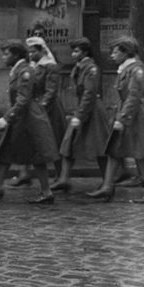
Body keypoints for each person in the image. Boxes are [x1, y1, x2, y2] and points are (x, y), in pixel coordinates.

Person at [0, 40, 59, 204]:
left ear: (16, 55)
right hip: (22, 117)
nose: (3, 57)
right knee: (6, 151)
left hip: (29, 118)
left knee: (37, 154)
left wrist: (6, 117)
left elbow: (23, 99)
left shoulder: (25, 71)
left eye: (6, 54)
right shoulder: (18, 70)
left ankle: (47, 192)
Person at [86, 36, 144, 202]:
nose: (112, 55)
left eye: (115, 52)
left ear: (126, 53)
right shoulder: (126, 68)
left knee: (141, 153)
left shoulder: (136, 69)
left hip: (136, 115)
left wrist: (123, 118)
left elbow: (133, 95)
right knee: (114, 150)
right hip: (127, 112)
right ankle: (107, 186)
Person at [52, 37, 109, 192]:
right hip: (82, 109)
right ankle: (64, 178)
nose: (73, 55)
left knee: (100, 147)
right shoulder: (79, 67)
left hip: (92, 111)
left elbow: (89, 94)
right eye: (73, 51)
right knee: (68, 143)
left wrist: (80, 115)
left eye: (77, 51)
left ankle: (107, 183)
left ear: (85, 52)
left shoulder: (91, 69)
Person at [26, 35, 65, 178]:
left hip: (50, 108)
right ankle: (26, 173)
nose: (31, 55)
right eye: (29, 52)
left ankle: (61, 174)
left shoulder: (50, 66)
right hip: (37, 106)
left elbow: (51, 91)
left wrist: (41, 107)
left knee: (55, 139)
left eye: (34, 52)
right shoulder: (33, 67)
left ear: (42, 51)